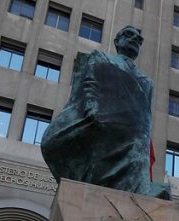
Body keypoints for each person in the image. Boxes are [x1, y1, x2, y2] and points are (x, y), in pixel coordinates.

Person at [40, 26, 168, 197]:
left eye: (139, 39)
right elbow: (89, 84)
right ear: (117, 41)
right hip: (103, 122)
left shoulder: (147, 81)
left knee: (138, 158)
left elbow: (146, 116)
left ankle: (141, 193)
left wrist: (144, 142)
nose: (134, 39)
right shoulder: (101, 58)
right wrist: (91, 109)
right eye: (128, 34)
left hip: (133, 133)